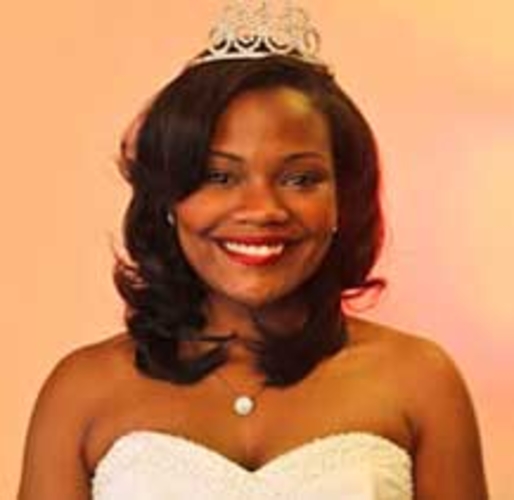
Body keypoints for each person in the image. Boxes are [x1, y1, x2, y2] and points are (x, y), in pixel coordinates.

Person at [18, 1, 488, 499]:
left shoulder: (420, 381)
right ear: (169, 200)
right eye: (219, 177)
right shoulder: (82, 392)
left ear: (342, 199)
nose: (263, 210)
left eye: (299, 179)